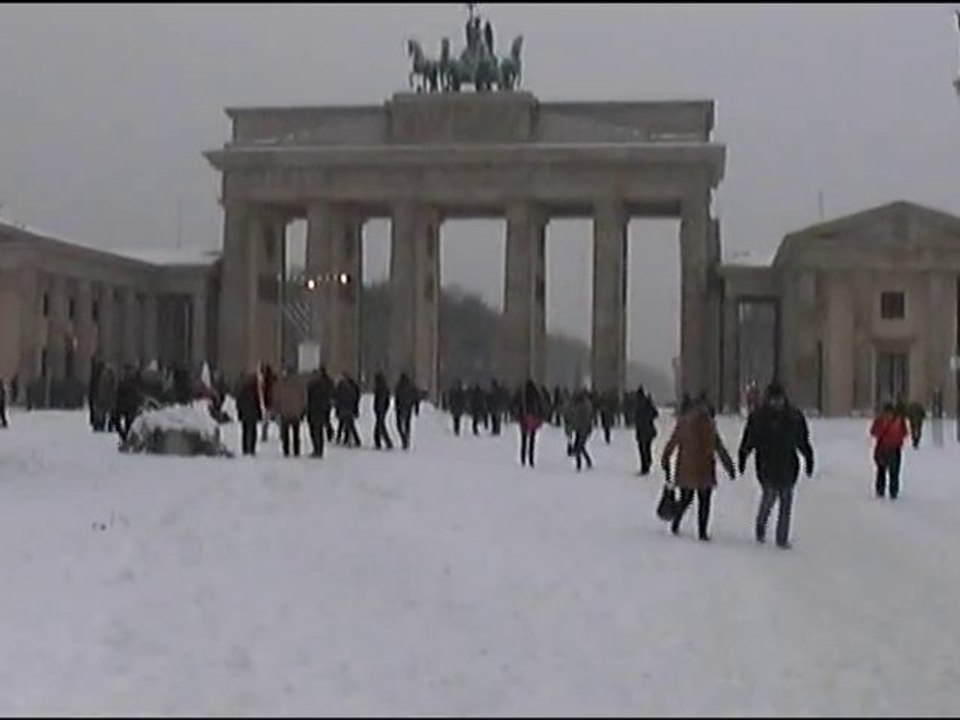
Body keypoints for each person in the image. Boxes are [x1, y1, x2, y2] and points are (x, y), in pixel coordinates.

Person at [737, 382, 814, 549]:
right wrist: (743, 457)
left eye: (778, 399)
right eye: (773, 399)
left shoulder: (794, 416)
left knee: (786, 502)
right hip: (766, 464)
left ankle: (782, 538)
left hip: (788, 465)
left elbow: (803, 440)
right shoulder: (758, 417)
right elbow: (749, 439)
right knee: (769, 498)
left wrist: (809, 459)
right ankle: (760, 527)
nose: (776, 403)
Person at [660, 397, 735, 541]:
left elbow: (672, 442)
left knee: (685, 499)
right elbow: (719, 447)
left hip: (687, 468)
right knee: (704, 502)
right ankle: (702, 531)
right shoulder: (710, 425)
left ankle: (676, 522)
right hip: (705, 468)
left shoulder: (684, 422)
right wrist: (729, 466)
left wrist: (665, 459)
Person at [871, 402, 908, 499]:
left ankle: (883, 491)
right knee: (890, 472)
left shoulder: (881, 420)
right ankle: (891, 491)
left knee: (885, 471)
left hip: (885, 448)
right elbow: (905, 432)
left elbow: (874, 432)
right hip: (891, 449)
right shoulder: (898, 420)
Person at [274, 368, 306, 458]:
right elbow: (303, 397)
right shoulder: (299, 384)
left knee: (286, 433)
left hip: (285, 412)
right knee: (296, 433)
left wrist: (277, 408)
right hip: (296, 412)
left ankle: (286, 450)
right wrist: (302, 409)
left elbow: (277, 396)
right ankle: (296, 450)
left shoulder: (282, 383)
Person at [306, 368, 333, 458]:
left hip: (316, 411)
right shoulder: (324, 385)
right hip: (319, 410)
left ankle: (317, 449)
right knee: (318, 431)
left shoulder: (314, 386)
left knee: (316, 431)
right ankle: (318, 449)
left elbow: (310, 399)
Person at [633, 385, 659, 475]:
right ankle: (647, 463)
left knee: (643, 449)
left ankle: (645, 466)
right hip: (647, 429)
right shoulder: (647, 403)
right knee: (646, 448)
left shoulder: (641, 404)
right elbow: (655, 414)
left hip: (643, 430)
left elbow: (654, 414)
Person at [518, 379, 544, 467]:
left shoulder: (522, 395)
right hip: (534, 419)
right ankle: (531, 459)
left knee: (523, 440)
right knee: (532, 440)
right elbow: (541, 406)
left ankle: (522, 458)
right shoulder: (536, 395)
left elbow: (517, 406)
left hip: (524, 419)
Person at [236, 372, 262, 456]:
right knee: (252, 431)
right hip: (252, 414)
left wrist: (240, 412)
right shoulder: (254, 391)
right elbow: (257, 403)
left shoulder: (243, 390)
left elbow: (239, 402)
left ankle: (245, 448)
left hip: (245, 414)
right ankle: (251, 448)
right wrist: (259, 413)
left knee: (245, 431)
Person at [569, 390, 594, 471]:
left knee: (579, 446)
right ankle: (587, 461)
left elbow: (577, 418)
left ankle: (579, 464)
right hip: (584, 428)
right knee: (580, 446)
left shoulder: (580, 406)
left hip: (581, 428)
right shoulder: (587, 405)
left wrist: (572, 426)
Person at [395, 372, 418, 450]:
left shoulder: (399, 386)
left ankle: (404, 437)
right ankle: (406, 437)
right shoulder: (411, 386)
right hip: (408, 407)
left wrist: (396, 406)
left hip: (401, 407)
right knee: (407, 424)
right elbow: (416, 397)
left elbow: (397, 398)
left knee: (399, 425)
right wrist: (416, 407)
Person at [372, 372, 394, 451]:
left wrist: (379, 409)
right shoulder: (384, 388)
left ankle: (384, 442)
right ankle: (380, 441)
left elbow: (381, 400)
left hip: (380, 410)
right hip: (381, 409)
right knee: (380, 426)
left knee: (380, 426)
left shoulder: (381, 388)